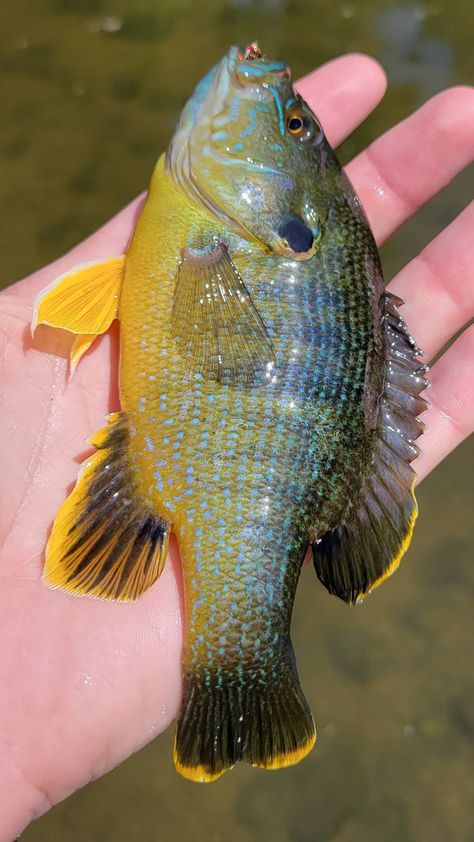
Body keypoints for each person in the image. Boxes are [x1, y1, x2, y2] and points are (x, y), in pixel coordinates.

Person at [0, 53, 472, 840]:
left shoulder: (210, 233)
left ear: (291, 211)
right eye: (298, 123)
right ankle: (238, 677)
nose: (274, 90)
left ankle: (239, 665)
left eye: (291, 124)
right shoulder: (219, 229)